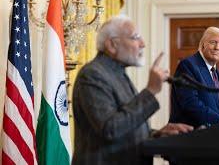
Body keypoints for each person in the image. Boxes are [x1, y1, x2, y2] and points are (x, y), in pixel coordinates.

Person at [72, 15, 193, 165]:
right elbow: (110, 129)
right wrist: (151, 91)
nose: (142, 44)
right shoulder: (92, 75)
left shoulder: (118, 73)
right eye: (135, 37)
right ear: (112, 45)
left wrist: (157, 134)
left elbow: (126, 127)